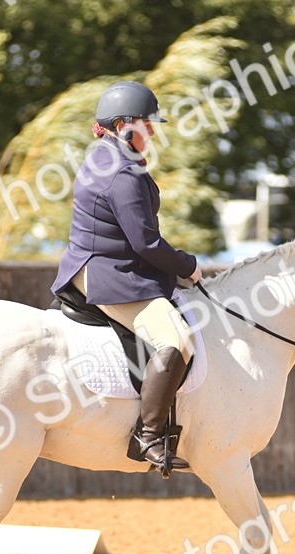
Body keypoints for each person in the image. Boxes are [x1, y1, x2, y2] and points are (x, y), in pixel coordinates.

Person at [51, 80, 201, 473]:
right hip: (112, 275)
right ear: (122, 125)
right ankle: (148, 436)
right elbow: (147, 244)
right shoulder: (123, 173)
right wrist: (188, 266)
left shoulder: (102, 156)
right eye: (146, 124)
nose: (152, 131)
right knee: (177, 340)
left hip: (90, 265)